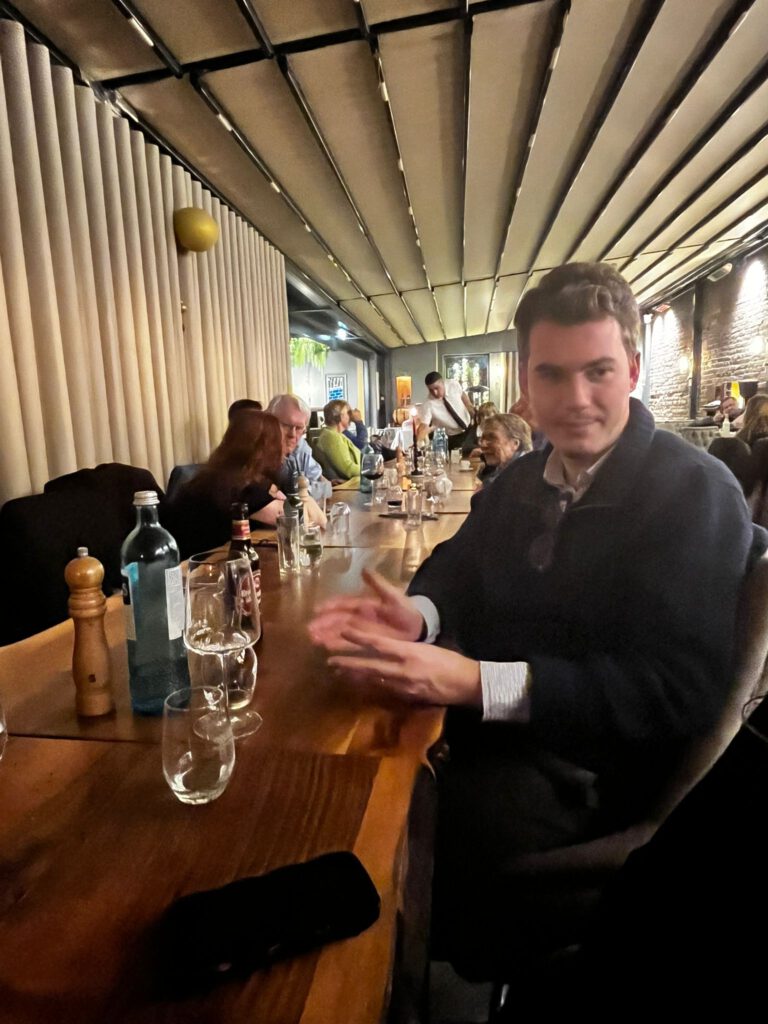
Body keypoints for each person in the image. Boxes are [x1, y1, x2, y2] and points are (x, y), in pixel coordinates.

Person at [309, 261, 764, 977]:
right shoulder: (525, 477)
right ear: (526, 379)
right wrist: (418, 615)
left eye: (598, 372)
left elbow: (675, 691)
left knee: (378, 831)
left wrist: (476, 683)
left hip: (598, 779)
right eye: (552, 374)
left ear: (633, 369)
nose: (575, 399)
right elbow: (459, 564)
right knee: (343, 777)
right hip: (496, 741)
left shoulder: (694, 492)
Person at [168, 409, 285, 558]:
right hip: (205, 566)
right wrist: (301, 495)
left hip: (188, 562)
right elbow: (295, 518)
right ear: (267, 449)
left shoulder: (214, 477)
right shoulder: (243, 489)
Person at [265, 394, 331, 503]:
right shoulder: (256, 451)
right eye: (286, 425)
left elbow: (325, 487)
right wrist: (306, 493)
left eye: (299, 428)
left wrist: (304, 493)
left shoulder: (301, 446)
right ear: (268, 422)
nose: (293, 434)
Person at [417, 371, 475, 451]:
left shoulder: (453, 384)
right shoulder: (428, 404)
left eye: (436, 388)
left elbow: (463, 397)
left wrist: (471, 409)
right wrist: (418, 443)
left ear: (442, 382)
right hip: (452, 438)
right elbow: (424, 426)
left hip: (469, 430)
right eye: (431, 390)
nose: (434, 392)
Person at [475, 412, 531, 488]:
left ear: (515, 443)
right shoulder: (505, 467)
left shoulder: (524, 475)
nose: (483, 445)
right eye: (482, 439)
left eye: (491, 438)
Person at [313, 400, 362, 481]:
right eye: (348, 413)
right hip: (348, 486)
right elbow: (348, 469)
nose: (351, 416)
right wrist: (372, 469)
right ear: (340, 416)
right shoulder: (331, 437)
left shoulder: (336, 434)